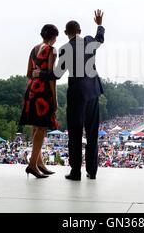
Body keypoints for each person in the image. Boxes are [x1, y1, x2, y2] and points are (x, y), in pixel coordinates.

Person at [34, 10, 105, 181]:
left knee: (75, 134)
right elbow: (100, 38)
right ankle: (92, 171)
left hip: (76, 94)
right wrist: (99, 24)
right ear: (79, 31)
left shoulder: (65, 49)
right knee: (92, 134)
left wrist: (40, 74)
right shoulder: (89, 41)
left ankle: (75, 172)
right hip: (93, 92)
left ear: (66, 33)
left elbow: (57, 74)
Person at [19, 24, 59, 179]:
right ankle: (32, 165)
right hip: (44, 92)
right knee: (42, 128)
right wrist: (55, 99)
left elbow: (29, 73)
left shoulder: (34, 49)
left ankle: (39, 163)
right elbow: (51, 77)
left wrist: (37, 75)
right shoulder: (51, 50)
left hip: (31, 89)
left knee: (36, 127)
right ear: (54, 37)